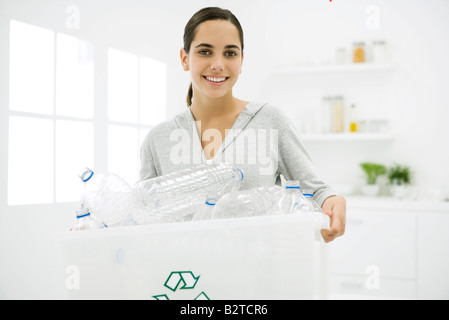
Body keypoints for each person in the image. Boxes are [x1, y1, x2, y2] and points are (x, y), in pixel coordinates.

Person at [139, 7, 346, 243]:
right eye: (205, 51)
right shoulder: (158, 140)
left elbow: (317, 191)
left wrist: (334, 201)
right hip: (184, 276)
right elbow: (140, 215)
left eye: (230, 53)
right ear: (185, 59)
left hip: (257, 273)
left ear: (241, 60)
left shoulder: (270, 121)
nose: (218, 64)